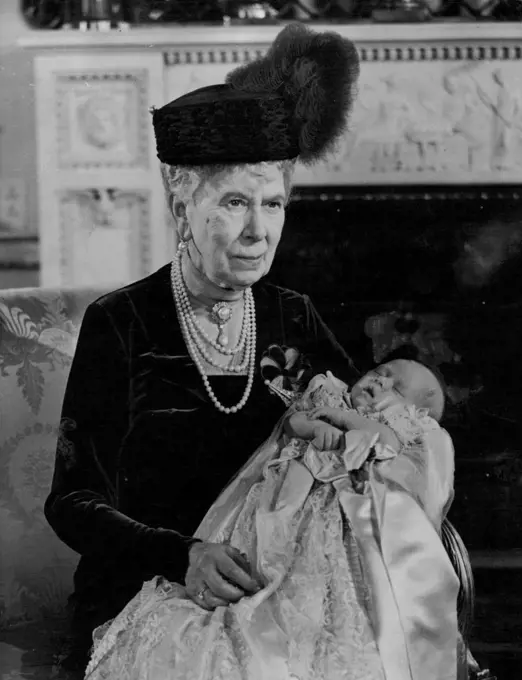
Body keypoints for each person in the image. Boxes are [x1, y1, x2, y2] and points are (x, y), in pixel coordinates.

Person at [44, 22, 361, 673]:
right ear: (181, 203)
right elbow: (72, 503)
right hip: (143, 592)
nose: (256, 231)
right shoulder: (122, 321)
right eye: (235, 201)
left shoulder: (292, 315)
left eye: (272, 204)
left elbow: (367, 426)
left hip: (275, 596)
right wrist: (180, 553)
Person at [82, 359, 459, 679]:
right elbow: (293, 422)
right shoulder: (328, 392)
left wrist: (346, 421)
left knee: (323, 588)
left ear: (411, 411)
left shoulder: (401, 432)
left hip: (336, 518)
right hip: (279, 501)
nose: (381, 381)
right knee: (254, 562)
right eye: (381, 371)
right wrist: (315, 426)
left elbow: (386, 444)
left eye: (397, 387)